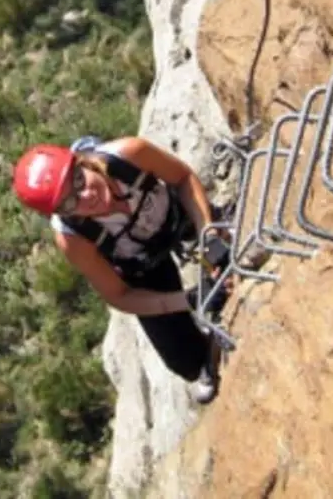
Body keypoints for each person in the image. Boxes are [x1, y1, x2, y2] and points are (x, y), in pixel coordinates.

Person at [12, 136, 232, 404]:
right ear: (60, 213)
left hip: (175, 216)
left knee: (228, 254)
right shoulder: (74, 238)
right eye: (70, 203)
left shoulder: (129, 155)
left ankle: (223, 235)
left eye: (79, 180)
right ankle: (206, 351)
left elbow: (182, 178)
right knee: (185, 362)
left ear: (82, 163)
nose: (86, 196)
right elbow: (119, 295)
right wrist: (186, 300)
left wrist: (208, 235)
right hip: (143, 266)